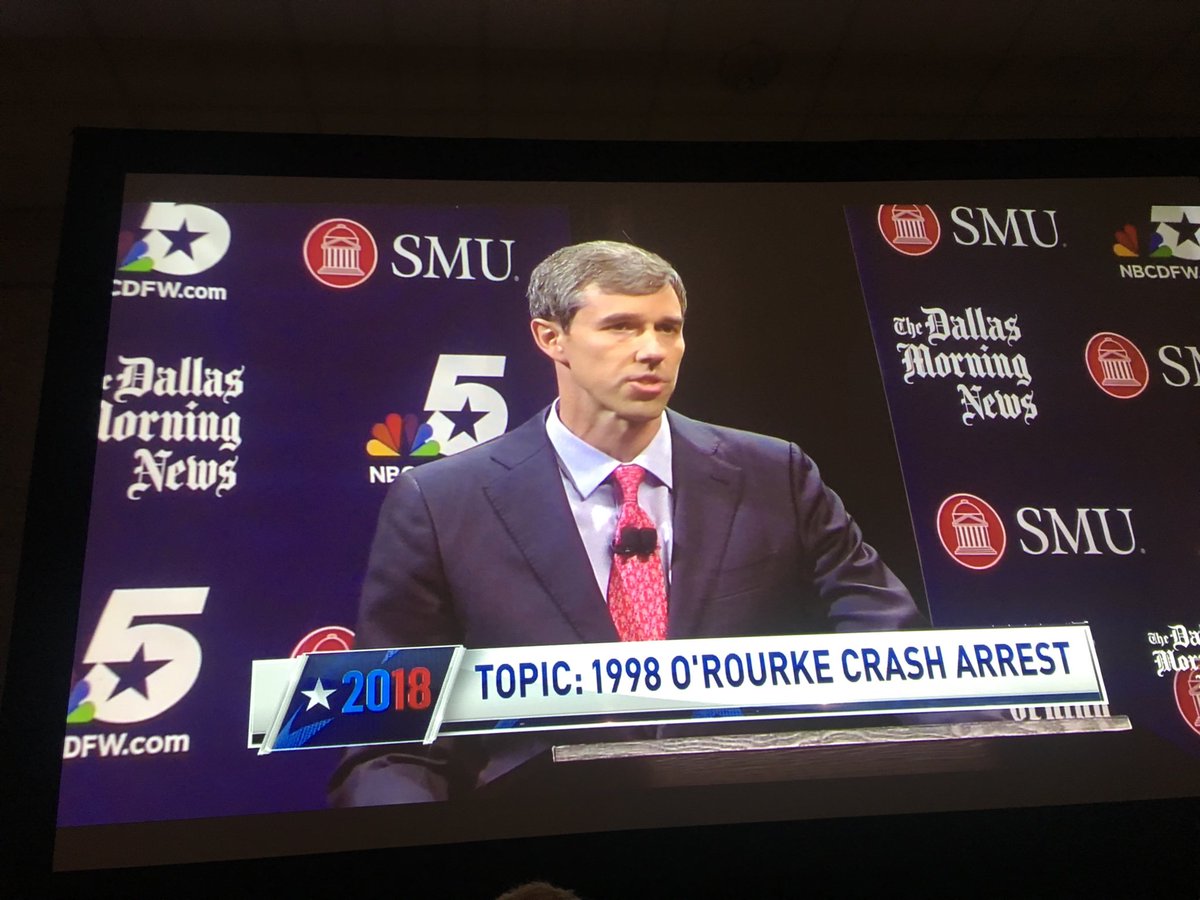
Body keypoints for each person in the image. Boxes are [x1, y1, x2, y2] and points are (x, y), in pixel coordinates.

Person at [328, 240, 921, 806]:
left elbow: (894, 649)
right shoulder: (442, 502)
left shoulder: (773, 473)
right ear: (551, 338)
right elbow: (390, 736)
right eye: (621, 327)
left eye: (668, 328)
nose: (653, 350)